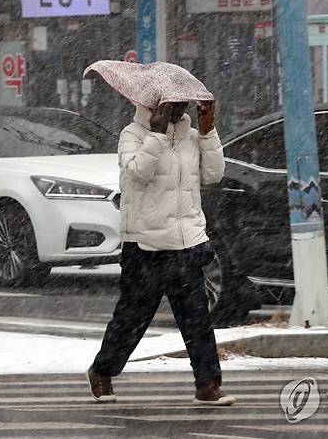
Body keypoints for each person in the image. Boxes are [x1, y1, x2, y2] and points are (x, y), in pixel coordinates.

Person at [86, 99, 236, 406]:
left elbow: (213, 175)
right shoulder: (132, 134)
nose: (177, 111)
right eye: (170, 106)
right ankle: (102, 370)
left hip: (185, 243)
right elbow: (138, 173)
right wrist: (155, 134)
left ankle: (207, 384)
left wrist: (207, 131)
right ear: (152, 106)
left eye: (181, 106)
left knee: (196, 318)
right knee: (132, 317)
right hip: (144, 244)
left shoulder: (191, 137)